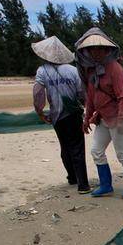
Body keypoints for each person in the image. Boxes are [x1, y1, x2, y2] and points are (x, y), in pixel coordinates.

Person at [75, 27, 123, 199]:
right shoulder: (91, 70)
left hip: (118, 119)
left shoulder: (115, 68)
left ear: (106, 50)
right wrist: (86, 118)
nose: (95, 52)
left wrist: (120, 119)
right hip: (102, 118)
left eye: (99, 49)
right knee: (96, 151)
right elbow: (90, 97)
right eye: (91, 49)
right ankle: (106, 185)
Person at [32, 35, 90, 193]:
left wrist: (40, 112)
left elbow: (38, 94)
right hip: (73, 114)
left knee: (65, 147)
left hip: (56, 115)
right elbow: (82, 94)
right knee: (77, 147)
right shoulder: (72, 71)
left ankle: (72, 177)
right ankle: (83, 184)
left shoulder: (42, 71)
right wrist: (87, 110)